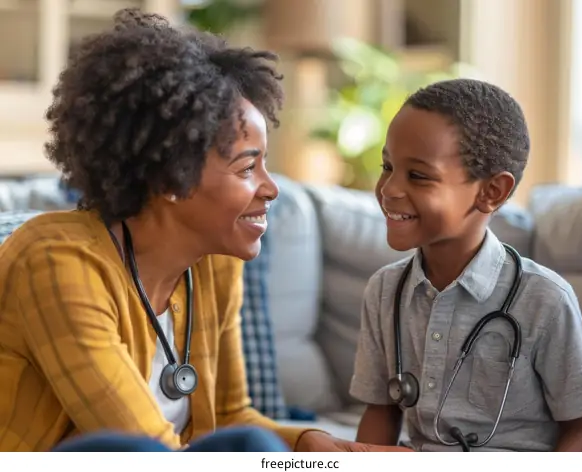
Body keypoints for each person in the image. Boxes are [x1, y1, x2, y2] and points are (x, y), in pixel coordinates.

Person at [0, 9, 412, 453]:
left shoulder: (213, 266)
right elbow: (145, 449)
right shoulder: (56, 262)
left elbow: (228, 419)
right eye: (248, 166)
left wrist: (318, 444)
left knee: (254, 442)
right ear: (171, 178)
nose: (271, 188)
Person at [349, 78, 582, 452]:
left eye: (417, 175)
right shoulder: (385, 290)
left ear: (491, 192)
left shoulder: (544, 299)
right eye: (387, 166)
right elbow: (381, 413)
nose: (389, 189)